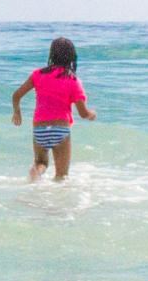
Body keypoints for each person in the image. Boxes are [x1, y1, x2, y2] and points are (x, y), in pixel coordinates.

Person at [10, 36, 94, 181]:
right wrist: (90, 114)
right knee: (62, 175)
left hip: (40, 130)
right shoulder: (73, 80)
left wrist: (17, 112)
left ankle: (36, 172)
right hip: (60, 130)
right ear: (71, 57)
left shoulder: (38, 74)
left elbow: (16, 95)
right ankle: (56, 201)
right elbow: (82, 113)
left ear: (52, 55)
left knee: (41, 163)